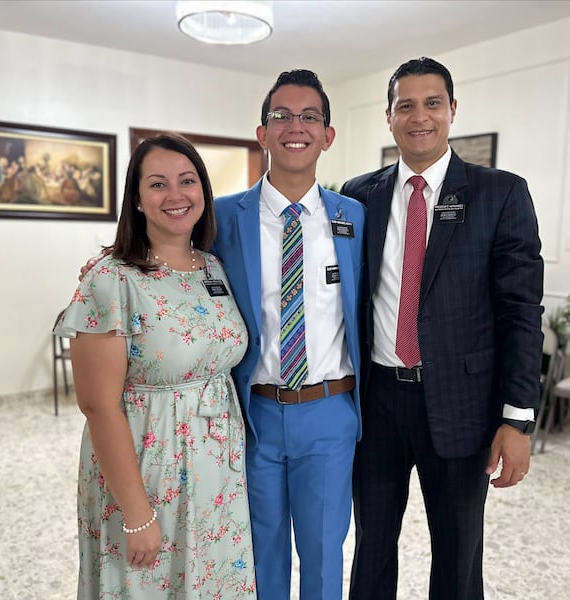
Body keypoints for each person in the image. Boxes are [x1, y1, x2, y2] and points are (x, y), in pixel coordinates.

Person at [341, 57, 544, 599]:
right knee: (372, 546)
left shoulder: (500, 193)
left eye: (433, 103)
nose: (419, 116)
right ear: (389, 117)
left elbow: (522, 313)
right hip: (378, 401)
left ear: (453, 110)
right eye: (405, 105)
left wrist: (517, 420)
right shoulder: (359, 195)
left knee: (457, 554)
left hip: (461, 403)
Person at [55, 133, 256, 599]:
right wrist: (137, 512)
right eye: (158, 184)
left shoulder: (212, 268)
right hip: (148, 470)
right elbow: (97, 406)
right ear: (138, 199)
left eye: (188, 181)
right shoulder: (111, 279)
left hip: (217, 472)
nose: (176, 195)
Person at [213, 69, 365, 600]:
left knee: (324, 554)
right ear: (262, 132)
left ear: (328, 134)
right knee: (260, 549)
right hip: (253, 413)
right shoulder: (223, 217)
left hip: (329, 411)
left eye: (310, 116)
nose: (294, 126)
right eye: (281, 115)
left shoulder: (354, 218)